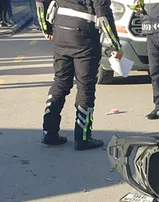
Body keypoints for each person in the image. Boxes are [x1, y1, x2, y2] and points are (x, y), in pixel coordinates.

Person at [37, 0, 124, 150]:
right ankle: (83, 138)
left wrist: (46, 28)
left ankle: (49, 132)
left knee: (60, 82)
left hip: (60, 30)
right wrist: (115, 45)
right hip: (84, 35)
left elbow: (40, 2)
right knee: (85, 87)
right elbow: (103, 14)